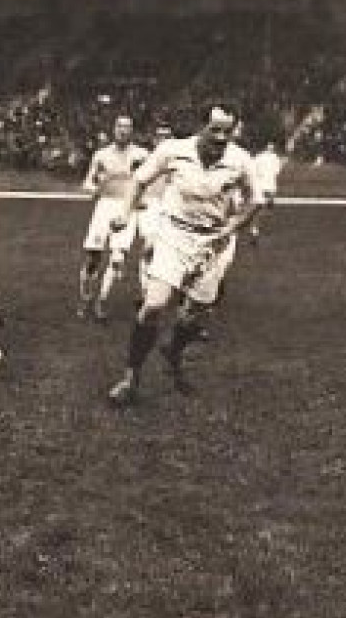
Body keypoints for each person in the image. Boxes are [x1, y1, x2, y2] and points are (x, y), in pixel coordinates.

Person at [107, 105, 258, 406]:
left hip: (212, 243)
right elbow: (139, 181)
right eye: (214, 129)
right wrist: (124, 212)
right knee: (153, 306)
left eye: (227, 131)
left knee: (193, 317)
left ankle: (173, 352)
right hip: (173, 234)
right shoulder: (173, 150)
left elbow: (255, 199)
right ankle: (130, 378)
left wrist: (231, 228)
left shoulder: (240, 160)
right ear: (200, 126)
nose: (221, 137)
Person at [77, 115, 150, 321]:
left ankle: (102, 301)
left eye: (127, 127)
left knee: (117, 258)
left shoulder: (141, 154)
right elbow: (87, 183)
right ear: (113, 129)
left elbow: (150, 181)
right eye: (119, 126)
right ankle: (85, 298)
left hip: (126, 208)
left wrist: (142, 199)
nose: (123, 130)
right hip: (104, 207)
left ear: (132, 131)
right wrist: (95, 187)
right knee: (93, 257)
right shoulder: (101, 155)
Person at [135, 123, 177, 291]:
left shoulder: (177, 161)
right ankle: (145, 290)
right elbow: (135, 182)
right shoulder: (145, 159)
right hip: (150, 207)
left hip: (171, 209)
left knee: (167, 250)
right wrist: (137, 200)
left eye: (167, 136)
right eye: (160, 136)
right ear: (154, 139)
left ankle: (160, 288)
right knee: (149, 247)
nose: (163, 140)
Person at [247, 139, 285, 242]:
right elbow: (277, 171)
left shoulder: (264, 157)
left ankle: (255, 227)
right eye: (270, 145)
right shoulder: (270, 158)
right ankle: (254, 228)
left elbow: (253, 170)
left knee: (265, 207)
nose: (271, 147)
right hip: (266, 185)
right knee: (263, 208)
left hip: (266, 185)